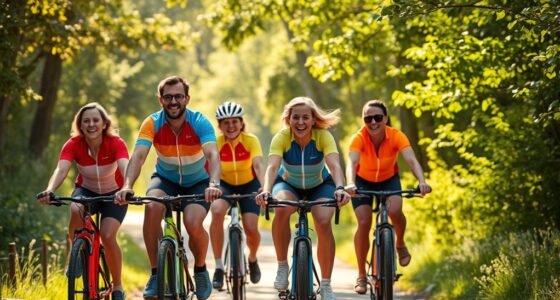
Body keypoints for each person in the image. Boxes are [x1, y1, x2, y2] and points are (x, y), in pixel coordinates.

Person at [114, 75, 222, 300]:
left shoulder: (199, 121)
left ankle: (200, 269)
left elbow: (212, 153)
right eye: (168, 97)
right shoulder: (152, 123)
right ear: (160, 100)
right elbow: (139, 156)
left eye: (178, 97)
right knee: (152, 208)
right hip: (165, 179)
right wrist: (126, 185)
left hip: (198, 181)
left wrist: (213, 183)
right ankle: (155, 273)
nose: (174, 102)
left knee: (193, 223)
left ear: (187, 99)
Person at [255, 96, 350, 300]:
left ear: (314, 119)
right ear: (288, 119)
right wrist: (266, 190)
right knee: (281, 207)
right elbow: (272, 167)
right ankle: (282, 266)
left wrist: (340, 187)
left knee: (323, 221)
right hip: (289, 184)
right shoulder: (281, 137)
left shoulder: (323, 136)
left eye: (305, 117)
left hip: (320, 185)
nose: (300, 122)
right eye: (295, 117)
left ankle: (325, 284)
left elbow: (334, 166)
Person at [37, 102, 129, 300]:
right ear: (80, 124)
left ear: (104, 124)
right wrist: (50, 190)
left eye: (96, 120)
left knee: (107, 234)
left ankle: (118, 286)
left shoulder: (116, 143)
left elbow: (125, 167)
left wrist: (126, 188)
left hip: (114, 194)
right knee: (76, 207)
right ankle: (75, 251)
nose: (91, 124)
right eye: (86, 121)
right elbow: (61, 170)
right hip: (86, 190)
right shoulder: (73, 144)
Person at [345, 99, 432, 294]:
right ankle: (361, 275)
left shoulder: (396, 136)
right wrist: (350, 183)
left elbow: (411, 159)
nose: (373, 122)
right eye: (368, 118)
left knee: (395, 211)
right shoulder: (358, 138)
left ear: (385, 118)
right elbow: (351, 163)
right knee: (364, 222)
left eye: (377, 117)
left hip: (388, 179)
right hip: (362, 182)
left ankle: (399, 244)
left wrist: (422, 181)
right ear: (363, 120)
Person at [209, 101, 265, 290]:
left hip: (249, 184)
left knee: (250, 227)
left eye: (235, 121)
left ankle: (252, 258)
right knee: (216, 211)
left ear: (241, 123)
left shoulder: (251, 140)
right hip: (224, 185)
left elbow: (258, 165)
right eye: (226, 122)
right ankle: (218, 267)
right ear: (220, 125)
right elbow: (209, 167)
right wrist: (211, 186)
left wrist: (265, 188)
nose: (231, 126)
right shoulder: (215, 143)